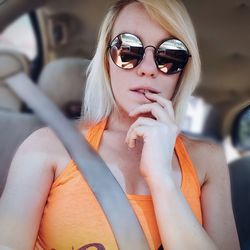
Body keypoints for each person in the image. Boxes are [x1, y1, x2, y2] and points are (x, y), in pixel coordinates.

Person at [0, 0, 240, 249]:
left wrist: (161, 178)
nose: (148, 69)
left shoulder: (207, 161)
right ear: (106, 60)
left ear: (182, 71)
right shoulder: (46, 147)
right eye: (128, 50)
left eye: (170, 55)